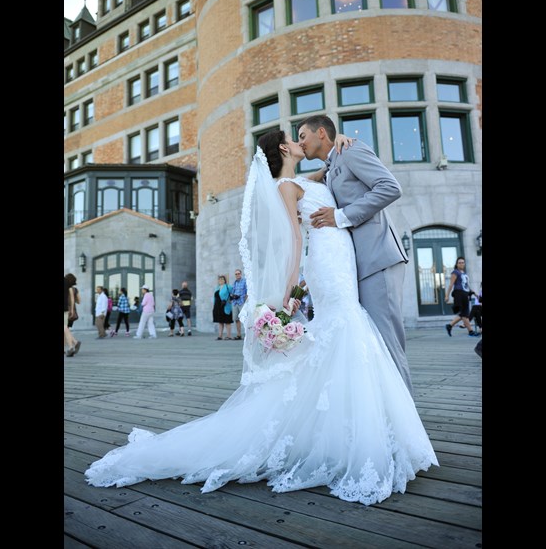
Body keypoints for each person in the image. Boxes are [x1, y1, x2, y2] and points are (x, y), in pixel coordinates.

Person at [85, 131, 437, 506]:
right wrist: (288, 293)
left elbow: (330, 167)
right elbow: (293, 240)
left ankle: (355, 430)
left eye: (304, 135)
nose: (301, 140)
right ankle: (360, 437)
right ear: (285, 148)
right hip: (327, 264)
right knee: (346, 327)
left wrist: (341, 143)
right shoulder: (285, 185)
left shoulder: (304, 179)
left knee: (347, 334)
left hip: (341, 256)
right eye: (294, 138)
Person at [299, 114, 413, 394]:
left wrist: (341, 216)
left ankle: (405, 422)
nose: (300, 143)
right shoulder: (331, 164)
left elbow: (390, 187)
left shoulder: (349, 150)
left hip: (378, 257)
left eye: (303, 136)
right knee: (372, 344)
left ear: (321, 133)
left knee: (388, 343)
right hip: (354, 268)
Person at [444, 257, 479, 338]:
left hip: (465, 294)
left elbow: (467, 286)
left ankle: (449, 325)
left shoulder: (464, 273)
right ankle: (470, 331)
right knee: (464, 314)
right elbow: (451, 285)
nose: (461, 264)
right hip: (459, 294)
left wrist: (475, 294)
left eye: (463, 262)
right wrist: (447, 295)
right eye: (459, 262)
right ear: (457, 264)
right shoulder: (455, 272)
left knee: (464, 313)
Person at [63, 274, 81, 357]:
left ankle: (71, 347)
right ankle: (74, 343)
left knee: (65, 328)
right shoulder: (68, 283)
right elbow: (72, 299)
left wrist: (72, 310)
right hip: (66, 308)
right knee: (65, 328)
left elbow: (73, 299)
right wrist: (72, 310)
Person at [212, 275, 233, 340]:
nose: (221, 280)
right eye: (220, 279)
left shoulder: (228, 286)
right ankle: (220, 336)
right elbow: (214, 298)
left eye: (222, 279)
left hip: (226, 306)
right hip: (218, 307)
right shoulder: (217, 288)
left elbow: (232, 294)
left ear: (225, 280)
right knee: (220, 322)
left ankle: (229, 336)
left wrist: (229, 301)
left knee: (227, 321)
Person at [229, 269, 247, 340]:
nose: (237, 275)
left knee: (244, 318)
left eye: (238, 273)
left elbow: (247, 292)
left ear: (241, 274)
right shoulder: (234, 282)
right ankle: (239, 334)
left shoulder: (244, 281)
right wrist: (233, 296)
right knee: (236, 319)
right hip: (235, 302)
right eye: (236, 274)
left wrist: (246, 301)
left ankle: (247, 334)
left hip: (241, 302)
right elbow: (232, 292)